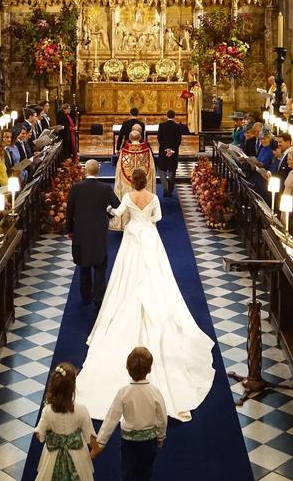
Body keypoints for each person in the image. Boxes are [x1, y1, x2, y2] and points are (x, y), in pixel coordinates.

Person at [74, 167, 215, 422]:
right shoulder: (153, 197)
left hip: (132, 238)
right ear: (146, 181)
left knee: (126, 277)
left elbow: (117, 214)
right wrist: (144, 220)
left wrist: (109, 213)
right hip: (149, 238)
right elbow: (157, 219)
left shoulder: (127, 197)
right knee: (155, 276)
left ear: (132, 181)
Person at [92, 347, 167, 480]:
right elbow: (162, 417)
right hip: (149, 442)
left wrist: (100, 442)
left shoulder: (124, 392)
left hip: (129, 443)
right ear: (149, 369)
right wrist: (160, 436)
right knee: (146, 470)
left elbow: (111, 418)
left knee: (128, 471)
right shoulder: (154, 391)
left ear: (127, 368)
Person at [66, 159, 120, 307]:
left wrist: (69, 229)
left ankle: (85, 296)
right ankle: (98, 296)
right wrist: (107, 215)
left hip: (80, 229)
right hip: (99, 229)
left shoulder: (76, 188)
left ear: (85, 170)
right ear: (98, 170)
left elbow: (69, 211)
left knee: (83, 264)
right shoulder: (105, 188)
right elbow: (117, 206)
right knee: (100, 263)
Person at [33, 362, 96, 481]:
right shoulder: (81, 410)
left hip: (53, 455)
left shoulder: (47, 410)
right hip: (77, 455)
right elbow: (91, 437)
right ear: (73, 388)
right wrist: (95, 451)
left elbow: (39, 434)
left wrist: (52, 436)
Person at [113, 130, 155, 229]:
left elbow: (119, 170)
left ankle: (125, 224)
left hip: (127, 182)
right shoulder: (147, 151)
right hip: (142, 182)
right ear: (140, 138)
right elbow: (152, 169)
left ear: (130, 138)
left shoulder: (124, 151)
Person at [157, 109, 189, 198]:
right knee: (172, 171)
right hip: (173, 153)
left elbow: (159, 139)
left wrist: (166, 149)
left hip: (163, 152)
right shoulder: (178, 126)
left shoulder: (161, 125)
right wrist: (172, 150)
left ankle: (166, 188)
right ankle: (169, 191)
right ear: (174, 116)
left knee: (161, 170)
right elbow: (179, 140)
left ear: (167, 116)